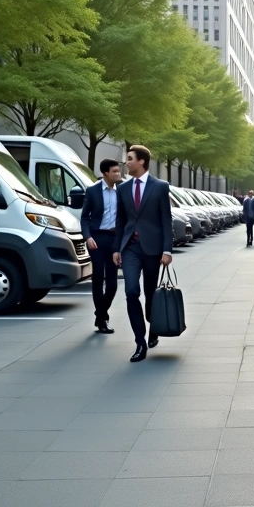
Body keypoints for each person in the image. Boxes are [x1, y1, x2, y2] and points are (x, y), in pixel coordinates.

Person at [113, 145, 174, 363]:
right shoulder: (122, 189)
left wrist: (167, 249)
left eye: (129, 159)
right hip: (130, 247)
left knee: (150, 293)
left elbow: (166, 220)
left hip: (152, 248)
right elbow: (120, 222)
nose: (126, 162)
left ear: (141, 162)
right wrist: (116, 249)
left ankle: (153, 326)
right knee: (131, 291)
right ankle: (140, 342)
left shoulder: (160, 187)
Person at [80, 158, 123, 334]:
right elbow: (84, 217)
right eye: (115, 172)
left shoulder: (121, 191)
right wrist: (87, 236)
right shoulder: (93, 191)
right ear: (106, 173)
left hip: (114, 239)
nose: (118, 174)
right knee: (98, 277)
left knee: (112, 284)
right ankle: (103, 321)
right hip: (97, 239)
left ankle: (100, 315)